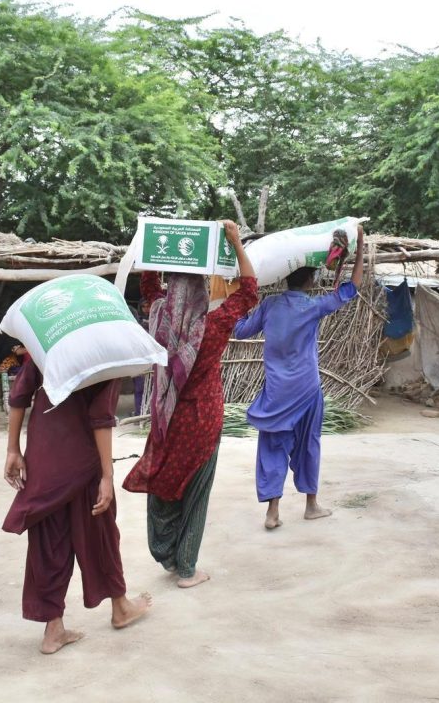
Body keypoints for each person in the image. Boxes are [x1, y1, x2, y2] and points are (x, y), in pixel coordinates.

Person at [122, 221, 258, 588]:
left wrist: (154, 245)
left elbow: (150, 286)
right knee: (196, 491)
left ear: (172, 288)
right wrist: (236, 243)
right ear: (199, 291)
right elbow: (249, 293)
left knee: (165, 481)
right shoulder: (212, 326)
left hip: (167, 420)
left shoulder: (157, 318)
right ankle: (187, 568)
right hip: (202, 419)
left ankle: (165, 552)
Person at [2, 359, 152, 654]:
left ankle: (53, 629)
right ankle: (120, 607)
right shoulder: (103, 352)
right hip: (84, 462)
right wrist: (107, 476)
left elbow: (19, 394)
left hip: (44, 458)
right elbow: (100, 418)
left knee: (48, 541)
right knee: (99, 534)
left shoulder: (46, 343)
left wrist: (12, 449)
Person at [233, 226, 366, 530]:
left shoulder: (268, 306)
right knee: (309, 444)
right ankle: (311, 505)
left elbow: (240, 331)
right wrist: (361, 245)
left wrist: (238, 299)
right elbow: (351, 288)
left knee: (272, 446)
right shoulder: (314, 306)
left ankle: (272, 512)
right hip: (307, 389)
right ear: (309, 281)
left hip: (276, 393)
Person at [131, 299, 152, 416]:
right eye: (143, 307)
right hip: (139, 359)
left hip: (151, 359)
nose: (146, 309)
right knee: (139, 388)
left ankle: (146, 414)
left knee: (150, 388)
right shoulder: (137, 324)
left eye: (148, 306)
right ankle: (139, 414)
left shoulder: (156, 319)